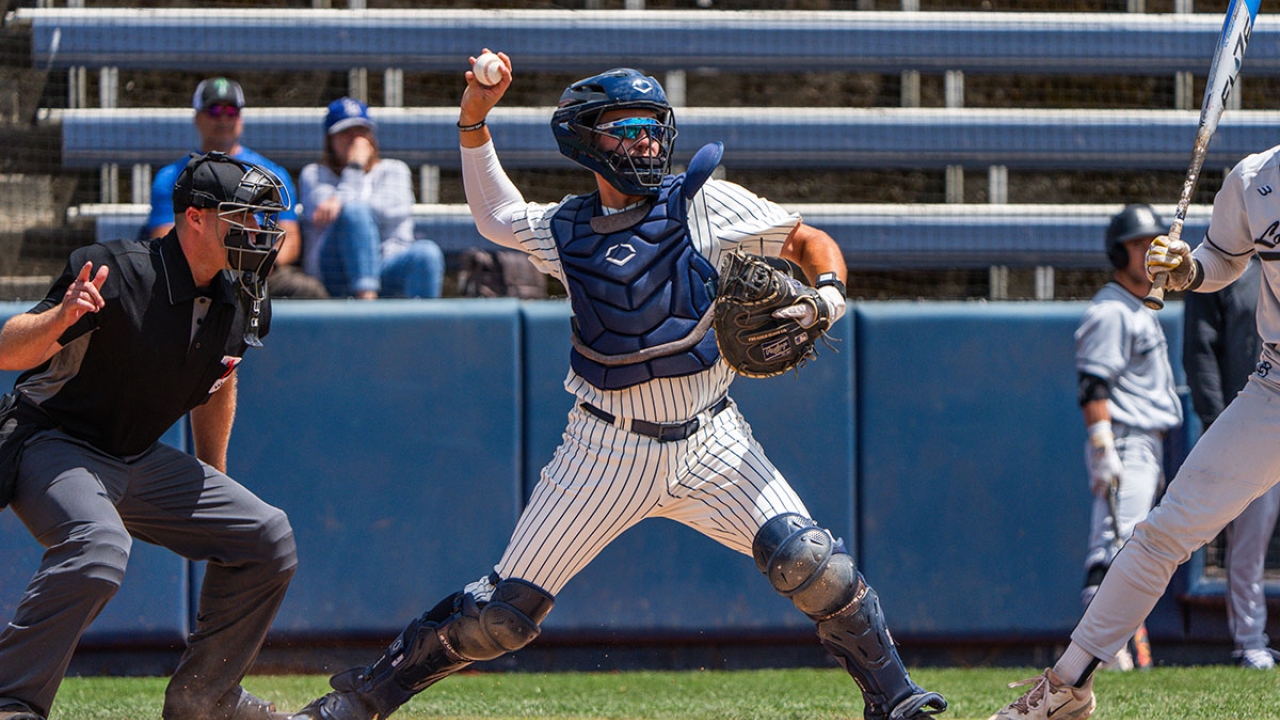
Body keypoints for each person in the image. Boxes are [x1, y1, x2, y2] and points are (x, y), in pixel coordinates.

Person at [288, 58, 948, 720]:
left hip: (710, 436)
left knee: (811, 562)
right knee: (501, 619)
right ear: (584, 138)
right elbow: (495, 216)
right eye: (626, 128)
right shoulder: (567, 229)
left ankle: (894, 699)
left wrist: (827, 297)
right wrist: (475, 115)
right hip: (605, 449)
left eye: (654, 128)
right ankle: (359, 702)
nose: (644, 142)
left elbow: (809, 238)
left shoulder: (707, 202)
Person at [0, 152, 298, 720]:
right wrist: (58, 319)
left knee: (266, 537)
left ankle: (203, 699)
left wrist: (214, 475)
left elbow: (219, 379)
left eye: (262, 220)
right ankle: (9, 699)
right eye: (244, 217)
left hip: (134, 456)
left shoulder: (241, 299)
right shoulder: (113, 270)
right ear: (194, 217)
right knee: (97, 548)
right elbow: (8, 350)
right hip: (52, 442)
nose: (259, 231)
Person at [987, 142, 1280, 720]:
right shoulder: (1254, 178)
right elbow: (1223, 261)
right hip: (1275, 385)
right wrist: (1189, 268)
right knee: (1162, 532)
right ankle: (1067, 688)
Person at [1074, 203, 1183, 671]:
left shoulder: (1140, 306)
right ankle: (1102, 650)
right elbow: (1092, 384)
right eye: (1138, 246)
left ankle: (1108, 644)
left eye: (1151, 245)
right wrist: (1102, 449)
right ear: (1120, 253)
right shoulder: (1110, 310)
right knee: (1113, 544)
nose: (1147, 254)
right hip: (1124, 439)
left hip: (1146, 440)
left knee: (1128, 542)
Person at [1183, 255, 1280, 669]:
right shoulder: (1216, 271)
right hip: (1250, 430)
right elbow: (1199, 350)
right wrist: (1216, 422)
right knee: (1248, 544)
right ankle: (1249, 639)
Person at [149, 77, 328, 300]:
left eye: (231, 111)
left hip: (260, 273)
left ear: (241, 118)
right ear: (197, 118)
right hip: (199, 272)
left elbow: (290, 239)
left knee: (307, 291)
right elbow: (164, 235)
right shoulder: (174, 176)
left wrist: (261, 262)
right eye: (214, 110)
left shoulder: (271, 174)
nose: (223, 118)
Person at [298, 98, 444, 299]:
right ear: (330, 140)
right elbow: (326, 216)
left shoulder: (395, 169)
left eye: (361, 131)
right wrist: (355, 166)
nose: (355, 140)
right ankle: (367, 305)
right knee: (355, 212)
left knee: (428, 253)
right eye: (345, 133)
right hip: (335, 272)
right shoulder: (314, 174)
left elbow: (390, 212)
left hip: (386, 265)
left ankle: (425, 329)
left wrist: (341, 201)